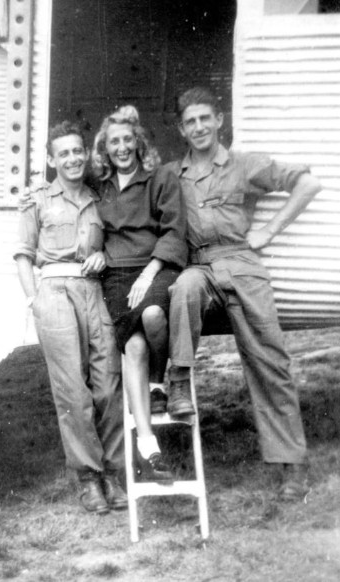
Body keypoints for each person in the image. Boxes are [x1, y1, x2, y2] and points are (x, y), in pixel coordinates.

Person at [166, 86, 322, 500]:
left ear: (219, 120)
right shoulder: (171, 176)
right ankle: (179, 378)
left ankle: (291, 467)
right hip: (200, 266)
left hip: (243, 266)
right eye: (190, 122)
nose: (199, 127)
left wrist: (270, 231)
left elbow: (307, 183)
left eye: (205, 118)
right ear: (181, 130)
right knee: (183, 286)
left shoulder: (244, 165)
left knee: (270, 362)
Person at [14, 121, 127, 515]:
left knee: (109, 383)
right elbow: (23, 255)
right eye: (63, 153)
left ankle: (113, 472)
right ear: (51, 159)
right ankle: (88, 478)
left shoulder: (101, 198)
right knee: (73, 393)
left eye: (78, 150)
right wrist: (35, 301)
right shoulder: (38, 200)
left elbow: (117, 242)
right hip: (55, 294)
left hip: (93, 292)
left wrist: (105, 256)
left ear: (86, 153)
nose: (73, 158)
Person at [91, 105, 189, 483]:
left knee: (152, 317)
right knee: (132, 347)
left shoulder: (159, 178)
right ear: (106, 147)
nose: (121, 147)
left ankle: (157, 381)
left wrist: (149, 273)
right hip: (117, 277)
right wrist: (97, 250)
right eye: (114, 141)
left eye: (127, 140)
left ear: (139, 142)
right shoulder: (100, 187)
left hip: (156, 267)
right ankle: (150, 448)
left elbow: (173, 230)